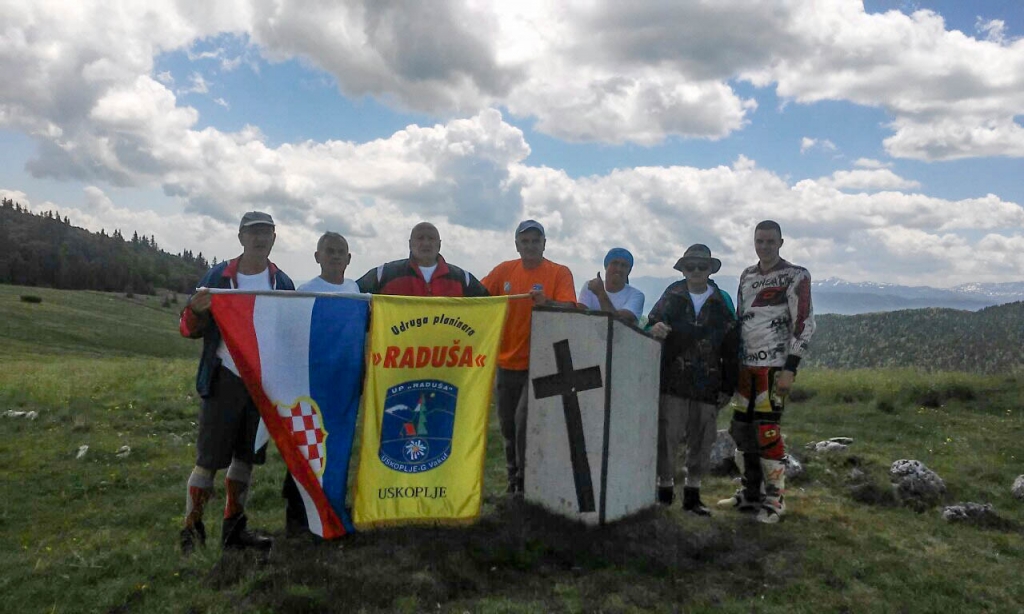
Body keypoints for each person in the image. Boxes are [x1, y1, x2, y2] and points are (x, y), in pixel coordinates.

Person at [178, 211, 295, 554]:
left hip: (262, 383)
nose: (259, 239)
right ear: (241, 237)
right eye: (253, 233)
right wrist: (197, 311)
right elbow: (187, 327)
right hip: (224, 379)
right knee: (208, 460)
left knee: (245, 457)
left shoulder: (282, 283)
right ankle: (191, 529)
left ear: (274, 238)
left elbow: (289, 333)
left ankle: (234, 528)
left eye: (266, 233)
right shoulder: (219, 276)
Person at [718, 220, 815, 524]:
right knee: (741, 431)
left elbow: (804, 323)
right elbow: (740, 320)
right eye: (759, 241)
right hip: (745, 368)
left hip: (774, 367)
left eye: (770, 241)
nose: (764, 246)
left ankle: (775, 499)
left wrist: (791, 368)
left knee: (767, 432)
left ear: (780, 243)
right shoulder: (747, 275)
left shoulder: (796, 275)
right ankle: (750, 493)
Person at [481, 220, 578, 495]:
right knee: (508, 426)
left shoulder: (559, 272)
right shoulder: (504, 271)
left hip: (540, 363)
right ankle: (513, 479)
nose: (531, 246)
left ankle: (526, 481)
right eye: (525, 241)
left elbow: (571, 308)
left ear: (544, 244)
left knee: (524, 422)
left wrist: (548, 303)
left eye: (536, 241)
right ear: (517, 245)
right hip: (505, 362)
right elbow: (478, 296)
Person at [648, 244, 739, 515]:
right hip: (672, 380)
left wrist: (728, 385)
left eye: (702, 266)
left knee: (703, 439)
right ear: (683, 269)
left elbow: (732, 345)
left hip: (708, 382)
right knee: (667, 436)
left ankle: (692, 494)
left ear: (710, 270)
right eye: (691, 266)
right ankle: (664, 491)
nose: (696, 271)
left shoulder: (722, 300)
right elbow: (651, 323)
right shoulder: (671, 295)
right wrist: (655, 328)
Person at [284, 231, 361, 537]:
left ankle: (333, 506)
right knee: (306, 445)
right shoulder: (305, 292)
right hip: (312, 382)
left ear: (349, 258)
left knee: (338, 447)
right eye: (329, 251)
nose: (335, 256)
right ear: (317, 257)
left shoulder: (356, 291)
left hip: (345, 383)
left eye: (341, 251)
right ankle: (299, 513)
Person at [356, 222, 487, 297]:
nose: (426, 243)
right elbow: (352, 297)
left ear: (439, 244)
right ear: (410, 244)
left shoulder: (463, 279)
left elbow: (490, 308)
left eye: (431, 238)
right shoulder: (384, 275)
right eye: (420, 238)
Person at [577, 247, 645, 324]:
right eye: (615, 263)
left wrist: (601, 293)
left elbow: (617, 324)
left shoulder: (636, 296)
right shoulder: (590, 287)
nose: (618, 269)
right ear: (606, 266)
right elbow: (579, 318)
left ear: (629, 271)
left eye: (624, 265)